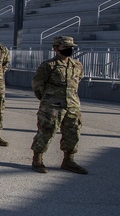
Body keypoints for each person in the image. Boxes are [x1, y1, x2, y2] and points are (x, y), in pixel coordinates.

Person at [30, 36, 88, 174]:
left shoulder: (77, 65)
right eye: (65, 47)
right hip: (52, 106)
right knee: (46, 132)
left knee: (73, 133)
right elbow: (38, 85)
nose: (69, 49)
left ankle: (68, 160)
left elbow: (77, 81)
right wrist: (48, 100)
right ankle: (37, 160)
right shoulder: (48, 66)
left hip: (72, 105)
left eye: (71, 47)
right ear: (55, 48)